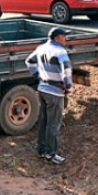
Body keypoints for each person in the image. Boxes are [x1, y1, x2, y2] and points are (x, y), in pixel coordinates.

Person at [25, 27, 73, 165]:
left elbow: (29, 61)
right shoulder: (61, 51)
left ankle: (41, 150)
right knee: (54, 124)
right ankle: (51, 154)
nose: (66, 38)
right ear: (57, 38)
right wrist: (68, 87)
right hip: (55, 91)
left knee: (44, 121)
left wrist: (37, 76)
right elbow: (67, 71)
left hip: (43, 89)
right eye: (64, 36)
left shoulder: (41, 48)